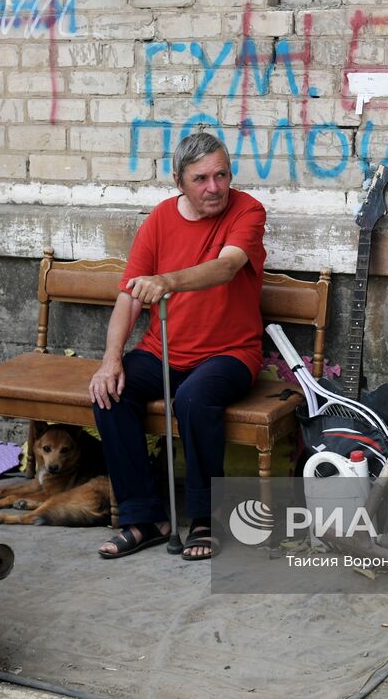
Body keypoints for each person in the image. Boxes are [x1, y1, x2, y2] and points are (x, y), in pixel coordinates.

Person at [89, 132, 266, 560]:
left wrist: (168, 281)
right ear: (179, 181)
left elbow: (226, 267)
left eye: (221, 175)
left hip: (232, 353)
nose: (214, 187)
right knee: (111, 394)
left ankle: (206, 516)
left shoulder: (248, 210)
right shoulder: (160, 219)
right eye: (201, 178)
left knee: (192, 398)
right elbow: (130, 295)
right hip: (165, 349)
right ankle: (145, 518)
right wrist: (111, 359)